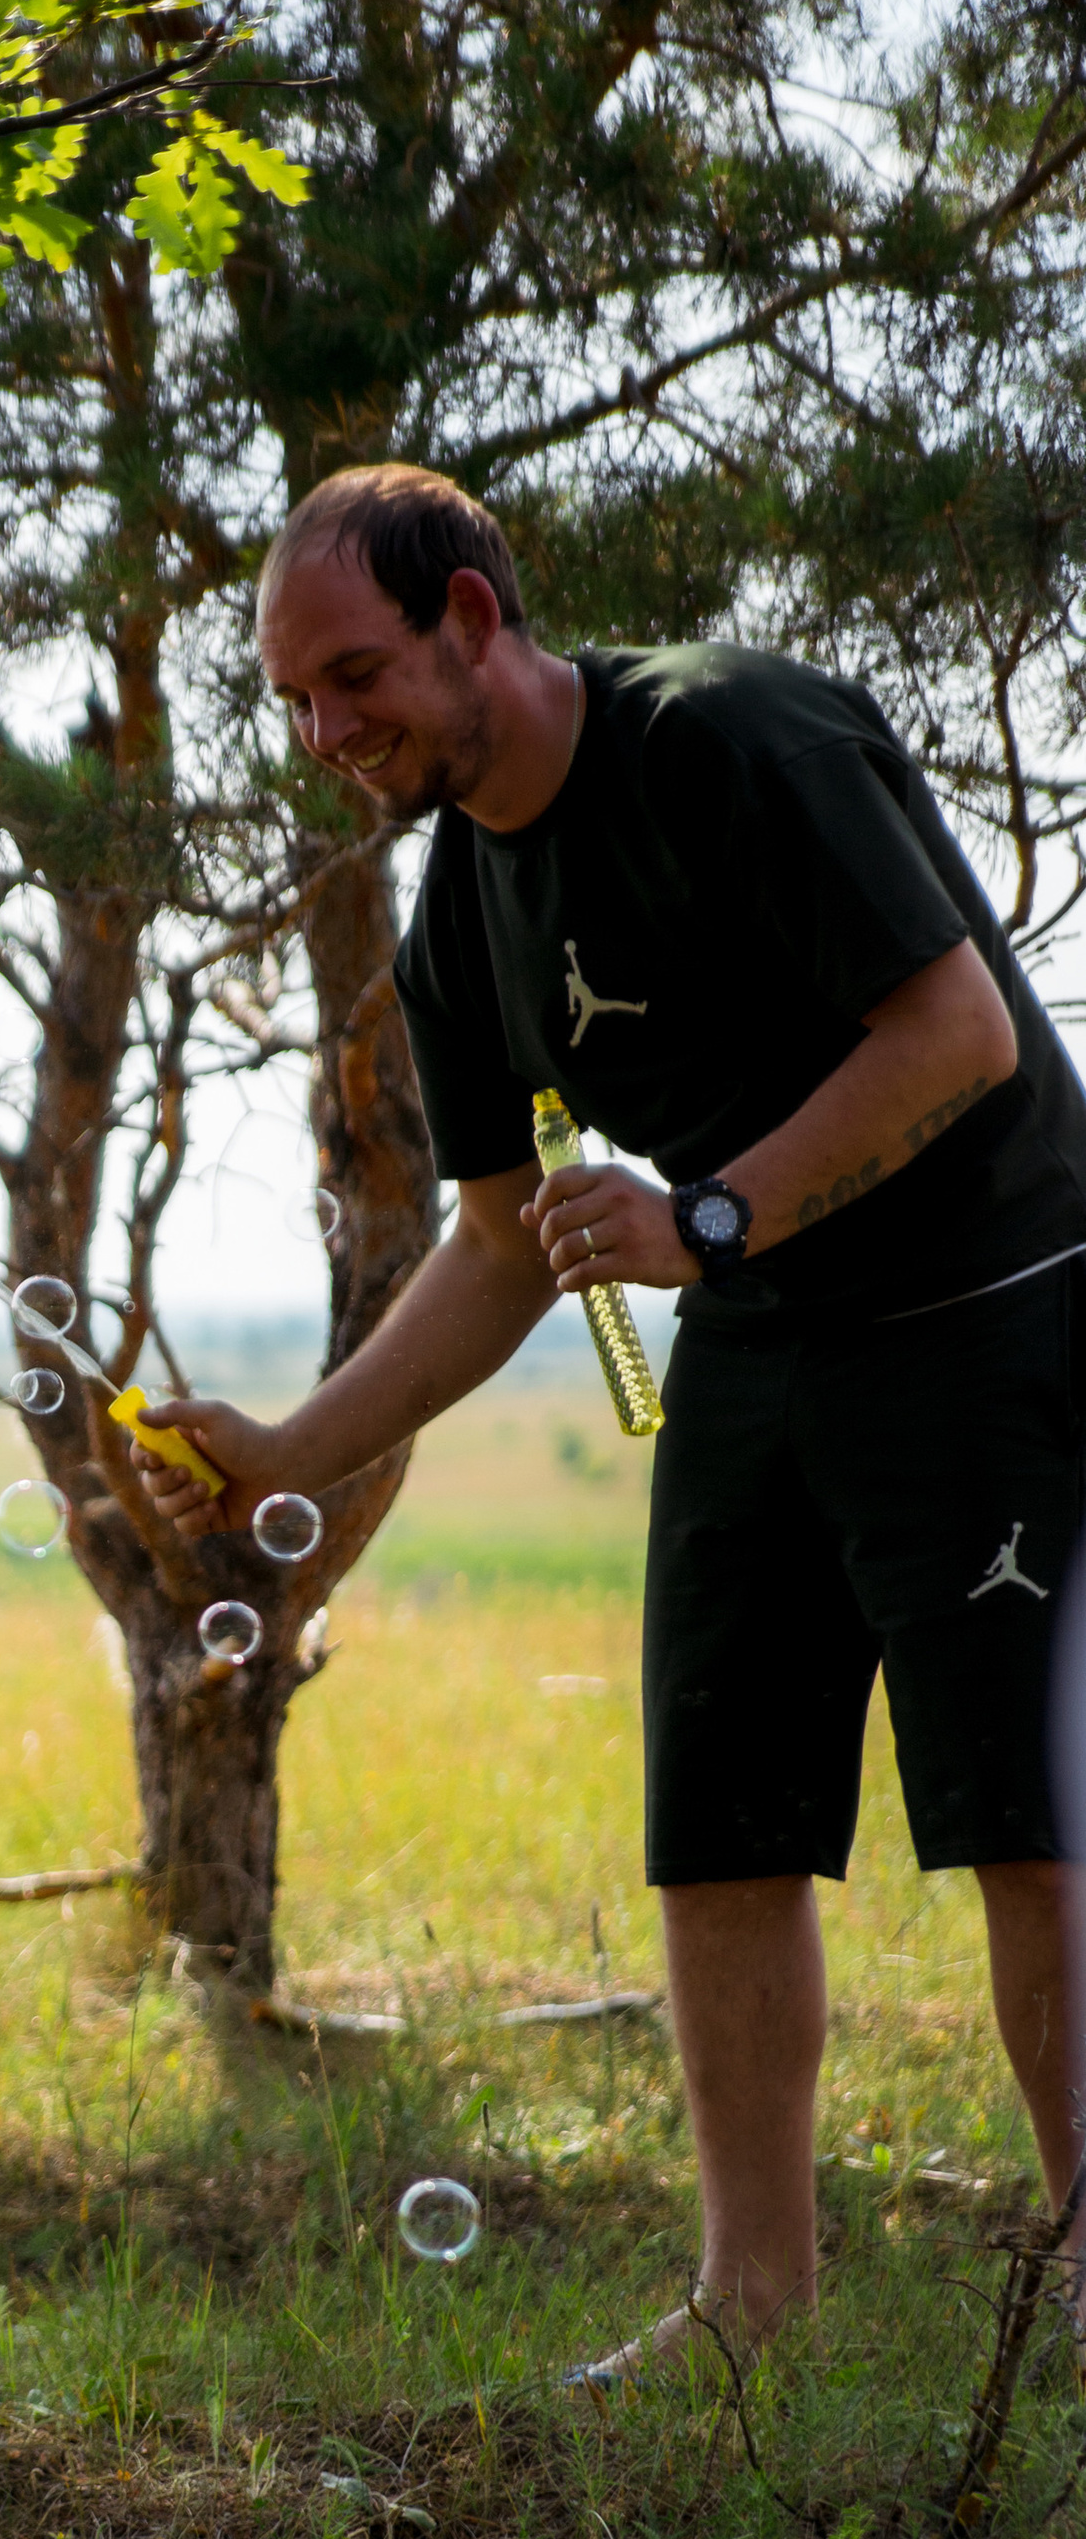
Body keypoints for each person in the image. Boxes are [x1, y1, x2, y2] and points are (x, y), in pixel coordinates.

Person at [134, 464, 1086, 2375]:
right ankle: (753, 2308)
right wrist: (288, 1455)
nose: (325, 733)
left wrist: (705, 1217)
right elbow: (498, 1248)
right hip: (754, 1326)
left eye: (355, 676)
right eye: (294, 700)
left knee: (1028, 1825)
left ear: (475, 616)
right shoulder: (458, 916)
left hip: (995, 1314)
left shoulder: (743, 735)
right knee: (719, 1826)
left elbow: (958, 1033)